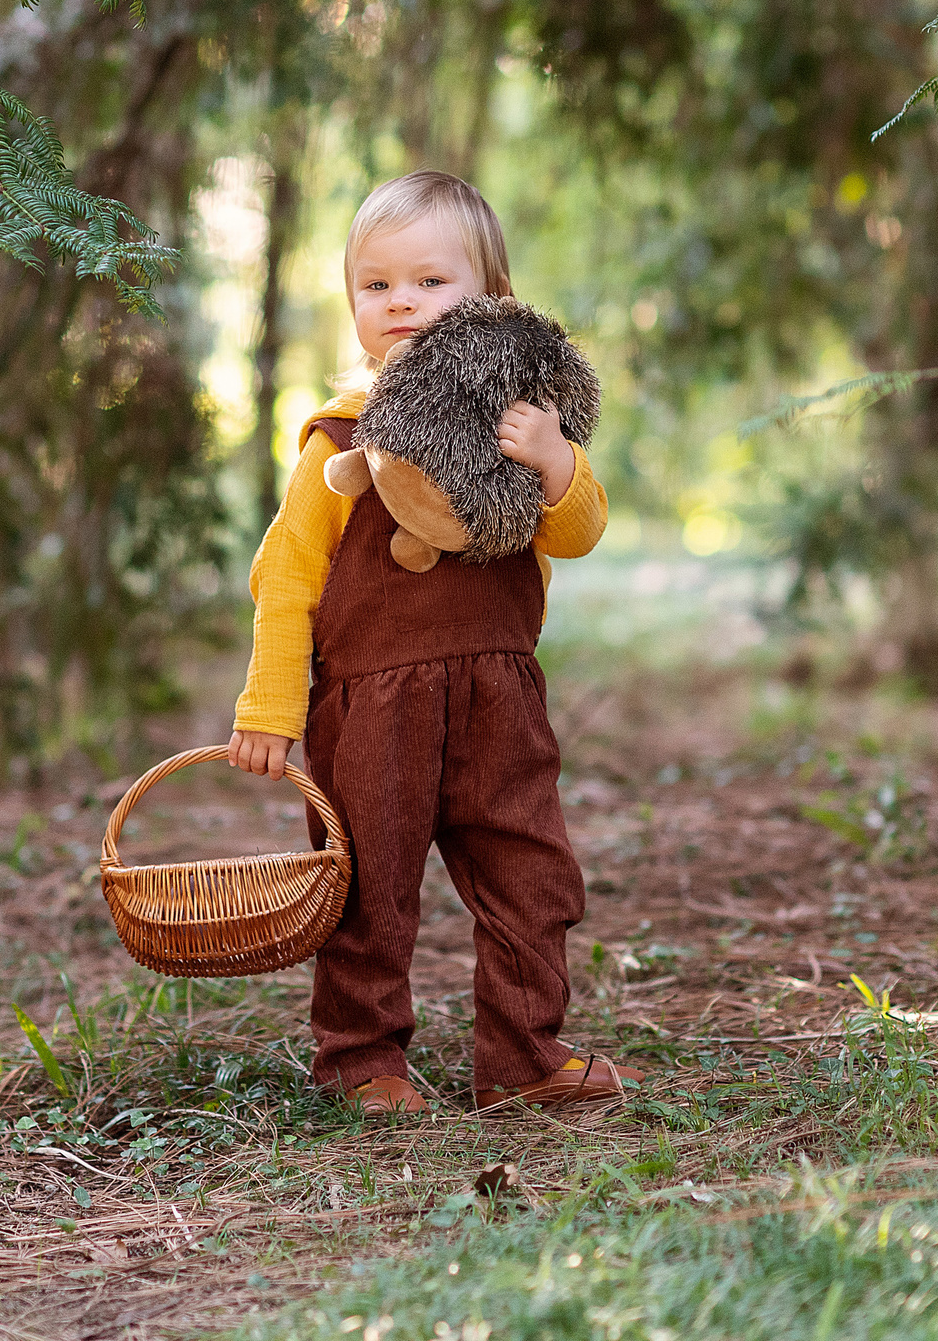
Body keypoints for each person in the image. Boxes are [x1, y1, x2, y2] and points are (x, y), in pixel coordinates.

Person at [224, 170, 639, 1115]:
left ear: (493, 298)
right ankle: (362, 1060)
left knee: (530, 871)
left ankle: (523, 1056)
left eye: (429, 281)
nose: (401, 301)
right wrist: (270, 707)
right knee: (367, 886)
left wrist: (556, 460)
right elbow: (286, 580)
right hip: (371, 708)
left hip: (499, 698)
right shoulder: (337, 440)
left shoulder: (520, 427)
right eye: (376, 285)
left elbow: (576, 533)